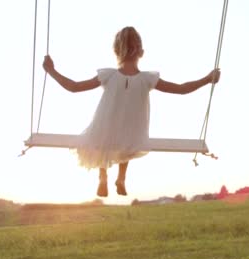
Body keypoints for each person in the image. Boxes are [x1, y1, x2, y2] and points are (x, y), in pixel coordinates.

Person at [43, 26, 220, 197]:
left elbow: (74, 87)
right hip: (132, 132)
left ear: (116, 51)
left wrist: (51, 70)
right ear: (141, 51)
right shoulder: (147, 79)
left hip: (104, 129)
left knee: (104, 140)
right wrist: (206, 79)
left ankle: (102, 177)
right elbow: (181, 89)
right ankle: (121, 178)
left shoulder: (108, 75)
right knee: (128, 141)